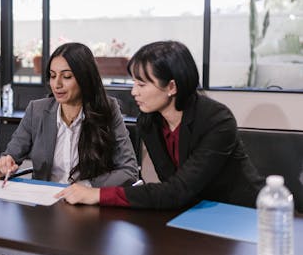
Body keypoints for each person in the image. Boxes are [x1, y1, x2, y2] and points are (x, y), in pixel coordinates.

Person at [57, 40, 264, 208]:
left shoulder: (217, 120)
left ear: (171, 86)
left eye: (141, 84)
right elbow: (169, 187)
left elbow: (176, 190)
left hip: (240, 214)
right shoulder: (149, 121)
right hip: (190, 212)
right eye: (134, 83)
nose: (133, 92)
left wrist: (98, 195)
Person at [0, 42, 138, 187]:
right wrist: (5, 163)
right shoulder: (36, 110)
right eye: (52, 76)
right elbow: (11, 154)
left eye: (67, 76)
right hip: (44, 202)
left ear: (84, 78)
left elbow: (129, 170)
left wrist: (86, 187)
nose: (57, 84)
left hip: (88, 203)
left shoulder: (108, 109)